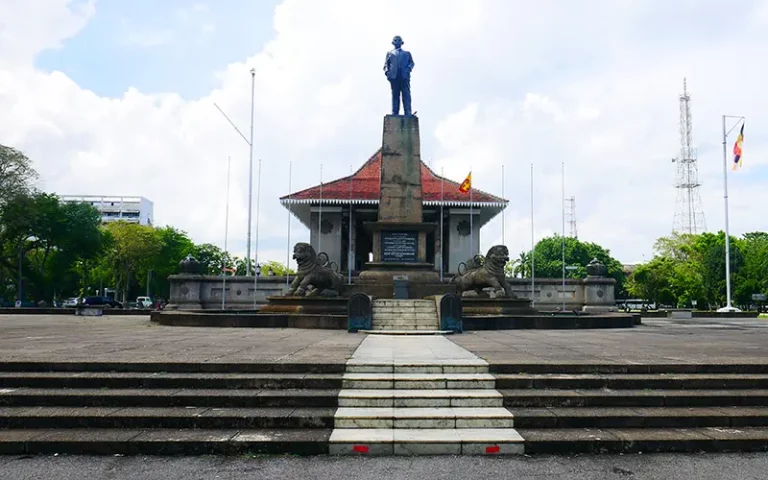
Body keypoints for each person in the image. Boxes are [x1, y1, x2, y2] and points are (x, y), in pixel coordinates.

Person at [383, 35, 415, 116]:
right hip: (394, 77)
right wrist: (387, 72)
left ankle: (408, 112)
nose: (397, 41)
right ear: (393, 42)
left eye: (399, 40)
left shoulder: (407, 53)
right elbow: (386, 65)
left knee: (406, 94)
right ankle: (395, 112)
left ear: (402, 42)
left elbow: (412, 63)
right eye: (395, 40)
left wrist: (408, 69)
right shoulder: (390, 53)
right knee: (395, 95)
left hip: (404, 77)